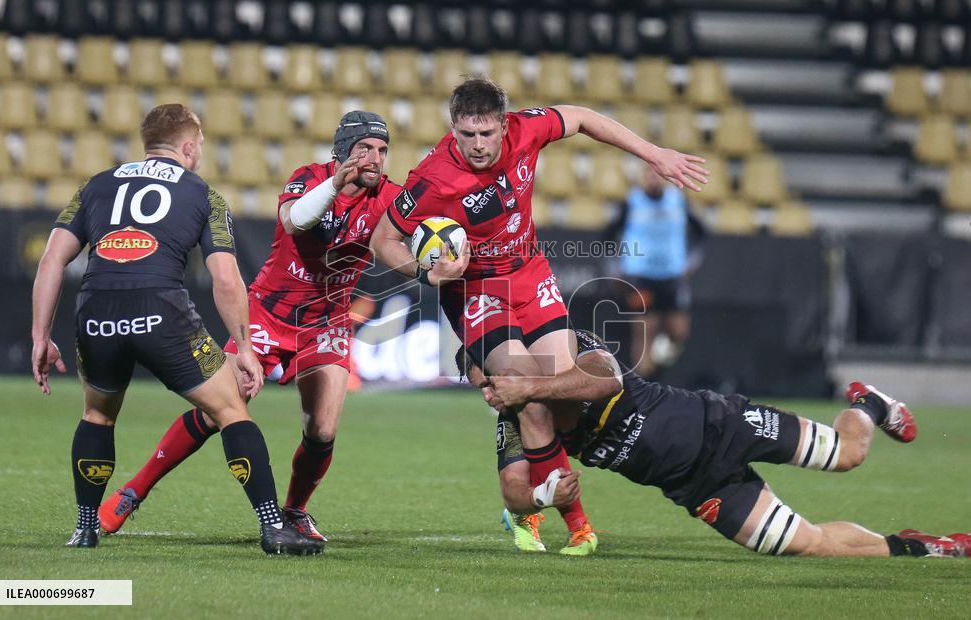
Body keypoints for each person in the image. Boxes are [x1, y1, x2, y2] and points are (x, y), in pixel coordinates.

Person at [370, 75, 709, 555]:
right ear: (453, 128)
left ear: (504, 125)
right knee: (531, 395)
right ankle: (579, 527)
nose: (478, 146)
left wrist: (652, 153)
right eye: (466, 135)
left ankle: (518, 485)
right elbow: (382, 238)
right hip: (478, 291)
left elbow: (585, 117)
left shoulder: (527, 130)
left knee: (562, 390)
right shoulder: (432, 179)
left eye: (487, 134)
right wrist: (427, 276)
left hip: (531, 274)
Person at [98, 111, 402, 544]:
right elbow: (296, 220)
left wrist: (432, 262)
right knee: (216, 409)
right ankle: (134, 491)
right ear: (342, 152)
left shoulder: (390, 196)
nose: (375, 158)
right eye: (365, 149)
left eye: (383, 150)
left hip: (326, 322)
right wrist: (336, 183)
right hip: (267, 315)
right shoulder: (309, 178)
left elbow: (401, 240)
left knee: (323, 430)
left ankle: (295, 511)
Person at [31, 104, 321, 555]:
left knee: (98, 416)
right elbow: (226, 278)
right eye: (200, 146)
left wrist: (39, 336)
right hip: (160, 310)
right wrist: (244, 346)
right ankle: (272, 527)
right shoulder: (203, 194)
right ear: (188, 146)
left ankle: (85, 528)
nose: (200, 154)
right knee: (230, 411)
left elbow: (52, 260)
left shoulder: (96, 185)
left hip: (96, 309)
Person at [461, 329, 969, 558]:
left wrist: (530, 389)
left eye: (490, 377)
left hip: (720, 423)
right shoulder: (518, 419)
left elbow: (605, 382)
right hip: (695, 485)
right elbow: (512, 489)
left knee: (848, 454)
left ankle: (870, 404)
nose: (489, 391)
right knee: (807, 545)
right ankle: (920, 548)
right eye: (479, 384)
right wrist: (546, 498)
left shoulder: (560, 347)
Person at [609, 165, 706, 377]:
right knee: (645, 332)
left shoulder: (678, 201)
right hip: (640, 275)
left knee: (679, 332)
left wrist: (692, 262)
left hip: (672, 276)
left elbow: (701, 233)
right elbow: (608, 234)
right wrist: (614, 267)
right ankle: (642, 390)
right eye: (650, 175)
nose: (654, 180)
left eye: (659, 176)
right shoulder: (632, 202)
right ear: (644, 177)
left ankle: (658, 362)